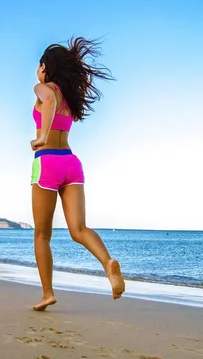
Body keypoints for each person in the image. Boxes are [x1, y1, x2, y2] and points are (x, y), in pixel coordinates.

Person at [30, 36, 125, 311]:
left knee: (42, 235)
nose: (38, 69)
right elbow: (55, 103)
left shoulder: (44, 89)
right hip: (71, 162)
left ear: (47, 68)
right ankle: (107, 262)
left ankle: (47, 293)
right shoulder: (70, 98)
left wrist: (42, 136)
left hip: (47, 161)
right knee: (79, 229)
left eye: (40, 64)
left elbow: (47, 98)